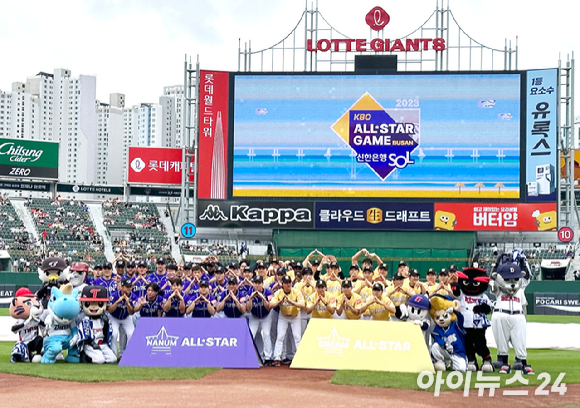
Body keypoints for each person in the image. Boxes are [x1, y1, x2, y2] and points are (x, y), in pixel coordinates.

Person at [270, 275, 305, 366]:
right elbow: (271, 305)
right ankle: (277, 357)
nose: (288, 284)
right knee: (280, 336)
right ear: (282, 284)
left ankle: (300, 357)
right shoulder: (278, 293)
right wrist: (279, 302)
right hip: (283, 316)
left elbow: (302, 304)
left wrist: (291, 302)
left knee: (297, 337)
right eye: (286, 283)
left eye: (289, 282)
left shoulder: (296, 292)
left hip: (295, 316)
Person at [246, 275, 274, 365]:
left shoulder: (268, 292)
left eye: (259, 283)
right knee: (251, 334)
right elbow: (248, 309)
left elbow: (269, 307)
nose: (257, 285)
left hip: (266, 316)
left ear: (262, 284)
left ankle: (268, 357)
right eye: (255, 283)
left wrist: (263, 298)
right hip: (254, 316)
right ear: (253, 284)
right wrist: (250, 299)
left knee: (266, 334)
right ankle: (247, 356)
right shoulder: (250, 292)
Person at [107, 279, 135, 359]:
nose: (129, 288)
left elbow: (131, 313)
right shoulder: (115, 295)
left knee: (131, 333)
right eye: (127, 287)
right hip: (114, 317)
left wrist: (128, 303)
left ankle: (128, 355)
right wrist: (117, 302)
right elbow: (109, 310)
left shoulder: (132, 296)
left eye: (130, 286)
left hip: (126, 317)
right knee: (114, 334)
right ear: (122, 287)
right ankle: (113, 355)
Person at [294, 267, 315, 333]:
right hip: (302, 311)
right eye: (306, 275)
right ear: (302, 276)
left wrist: (313, 287)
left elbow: (317, 296)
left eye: (309, 275)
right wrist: (302, 287)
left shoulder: (315, 283)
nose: (308, 277)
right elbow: (300, 300)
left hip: (312, 311)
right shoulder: (298, 285)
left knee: (312, 332)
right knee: (302, 332)